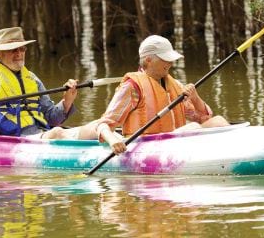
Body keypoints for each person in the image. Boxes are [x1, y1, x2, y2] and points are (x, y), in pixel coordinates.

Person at [75, 35, 230, 153]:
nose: (170, 63)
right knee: (194, 127)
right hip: (145, 146)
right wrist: (112, 140)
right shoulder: (132, 86)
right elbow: (104, 123)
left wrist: (195, 99)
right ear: (148, 60)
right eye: (165, 59)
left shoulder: (174, 84)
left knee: (218, 121)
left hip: (175, 142)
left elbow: (204, 118)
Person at [0, 27, 78, 139]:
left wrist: (67, 102)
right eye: (13, 49)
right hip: (9, 139)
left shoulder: (31, 78)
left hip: (41, 134)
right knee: (57, 132)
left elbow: (51, 118)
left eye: (22, 49)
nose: (19, 54)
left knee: (95, 126)